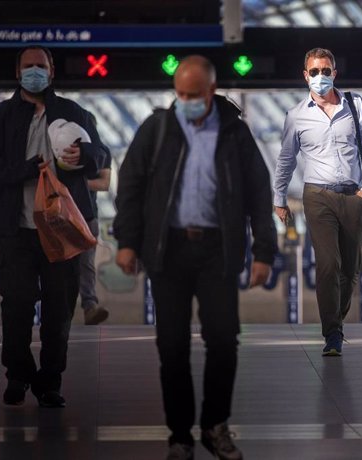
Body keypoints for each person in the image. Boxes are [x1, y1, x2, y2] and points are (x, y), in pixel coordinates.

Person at [114, 55, 276, 460]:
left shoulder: (234, 133)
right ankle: (180, 435)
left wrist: (263, 252)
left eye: (194, 94)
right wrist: (127, 242)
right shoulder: (158, 129)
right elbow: (131, 185)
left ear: (211, 91)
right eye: (180, 93)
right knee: (171, 345)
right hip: (168, 251)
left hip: (216, 252)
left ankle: (215, 425)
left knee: (223, 340)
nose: (185, 100)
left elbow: (259, 192)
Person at [0, 45, 104, 408]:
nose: (35, 72)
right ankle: (17, 375)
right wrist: (26, 169)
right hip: (16, 231)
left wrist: (85, 156)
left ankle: (50, 381)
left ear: (52, 71)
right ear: (18, 74)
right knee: (15, 305)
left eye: (41, 66)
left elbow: (102, 155)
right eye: (28, 66)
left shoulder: (73, 112)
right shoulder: (0, 116)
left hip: (61, 231)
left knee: (58, 311)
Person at [273, 47, 362, 356]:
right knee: (328, 264)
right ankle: (332, 333)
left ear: (334, 73)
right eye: (314, 71)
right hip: (317, 195)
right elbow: (286, 159)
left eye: (326, 70)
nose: (321, 76)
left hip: (353, 195)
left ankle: (337, 320)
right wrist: (279, 196)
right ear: (305, 76)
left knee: (350, 269)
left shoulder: (355, 105)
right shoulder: (296, 116)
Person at [79, 136, 112, 325]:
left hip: (87, 215)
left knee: (86, 264)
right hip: (59, 215)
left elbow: (104, 183)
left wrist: (75, 183)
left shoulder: (101, 150)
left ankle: (89, 307)